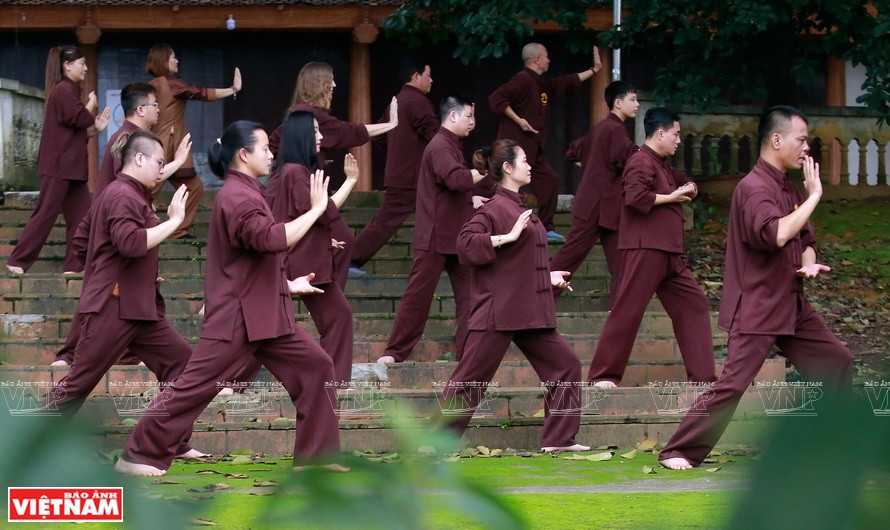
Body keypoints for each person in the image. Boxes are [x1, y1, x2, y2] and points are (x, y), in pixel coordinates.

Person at [116, 121, 342, 476]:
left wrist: (288, 283)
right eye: (265, 148)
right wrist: (314, 211)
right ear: (243, 154)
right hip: (238, 316)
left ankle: (316, 461)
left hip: (267, 313)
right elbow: (269, 239)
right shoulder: (236, 196)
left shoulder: (249, 192)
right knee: (193, 387)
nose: (271, 154)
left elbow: (259, 255)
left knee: (316, 368)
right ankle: (137, 456)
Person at [659, 106, 854, 470]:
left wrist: (809, 262)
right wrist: (814, 197)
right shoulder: (753, 188)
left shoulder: (787, 187)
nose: (805, 148)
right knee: (733, 384)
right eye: (800, 139)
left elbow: (805, 237)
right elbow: (777, 234)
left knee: (836, 362)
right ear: (776, 139)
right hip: (759, 303)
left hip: (792, 302)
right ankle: (677, 450)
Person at [436, 139, 588, 453]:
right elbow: (465, 246)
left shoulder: (518, 205)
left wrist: (548, 276)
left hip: (528, 311)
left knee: (566, 365)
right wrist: (507, 236)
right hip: (498, 312)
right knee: (469, 381)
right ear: (507, 168)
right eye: (524, 161)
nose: (530, 166)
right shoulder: (495, 208)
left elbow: (517, 262)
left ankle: (559, 440)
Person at [43, 131, 194, 436]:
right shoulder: (123, 195)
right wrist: (174, 222)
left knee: (183, 365)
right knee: (78, 384)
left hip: (138, 306)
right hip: (113, 307)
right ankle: (22, 444)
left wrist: (138, 275)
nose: (161, 170)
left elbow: (84, 243)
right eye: (159, 162)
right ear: (139, 158)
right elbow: (130, 244)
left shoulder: (119, 193)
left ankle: (168, 442)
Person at [51, 83, 192, 367]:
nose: (158, 110)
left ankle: (110, 357)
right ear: (141, 109)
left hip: (121, 263)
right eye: (154, 104)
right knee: (82, 372)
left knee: (177, 358)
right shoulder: (128, 147)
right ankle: (69, 357)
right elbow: (130, 208)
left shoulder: (132, 142)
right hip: (113, 256)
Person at [587, 107, 716, 388]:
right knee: (627, 310)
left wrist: (690, 187)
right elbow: (634, 197)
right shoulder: (640, 161)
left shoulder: (662, 164)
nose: (679, 140)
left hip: (669, 252)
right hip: (645, 249)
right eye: (676, 134)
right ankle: (603, 376)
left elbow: (684, 182)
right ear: (660, 133)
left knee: (694, 305)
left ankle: (704, 378)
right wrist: (671, 197)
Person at [377, 94, 493, 365]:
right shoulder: (440, 144)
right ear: (452, 116)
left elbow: (450, 186)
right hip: (434, 236)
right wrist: (489, 172)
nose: (472, 123)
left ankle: (468, 354)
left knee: (471, 297)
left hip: (456, 235)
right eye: (469, 116)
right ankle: (395, 352)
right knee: (418, 297)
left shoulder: (450, 144)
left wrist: (472, 198)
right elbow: (454, 179)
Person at [269, 61, 398, 286]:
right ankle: (317, 290)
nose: (335, 85)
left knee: (330, 242)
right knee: (340, 241)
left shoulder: (298, 114)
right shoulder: (308, 115)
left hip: (287, 191)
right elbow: (349, 132)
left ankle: (311, 288)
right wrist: (390, 124)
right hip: (295, 193)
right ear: (318, 84)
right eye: (330, 80)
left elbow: (271, 144)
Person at [265, 110, 358, 387]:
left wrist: (322, 240)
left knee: (336, 318)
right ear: (301, 136)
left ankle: (333, 384)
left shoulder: (290, 171)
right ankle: (334, 384)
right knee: (270, 325)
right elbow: (324, 211)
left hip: (301, 258)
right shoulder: (296, 173)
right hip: (298, 263)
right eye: (315, 131)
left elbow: (301, 217)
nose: (321, 137)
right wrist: (351, 180)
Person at [6, 45, 110, 275]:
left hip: (71, 166)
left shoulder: (69, 90)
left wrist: (97, 129)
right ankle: (18, 261)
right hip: (59, 166)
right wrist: (91, 105)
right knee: (45, 213)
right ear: (68, 65)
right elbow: (78, 117)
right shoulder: (64, 89)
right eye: (81, 63)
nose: (85, 68)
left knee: (82, 218)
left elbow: (75, 131)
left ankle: (75, 266)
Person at [488, 42, 601, 240]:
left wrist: (594, 70)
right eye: (547, 56)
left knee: (550, 182)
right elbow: (497, 98)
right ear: (537, 59)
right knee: (501, 186)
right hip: (514, 150)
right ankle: (494, 226)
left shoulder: (541, 83)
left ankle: (546, 227)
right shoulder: (522, 80)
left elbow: (564, 83)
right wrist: (519, 120)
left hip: (533, 149)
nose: (550, 60)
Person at [549, 81, 640, 302]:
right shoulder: (614, 129)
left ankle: (619, 317)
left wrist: (592, 165)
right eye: (633, 100)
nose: (637, 104)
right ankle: (536, 304)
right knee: (569, 259)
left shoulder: (602, 128)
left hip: (605, 207)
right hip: (596, 206)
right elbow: (634, 160)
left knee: (622, 263)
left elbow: (573, 151)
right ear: (618, 103)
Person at [349, 57, 439, 272]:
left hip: (401, 174)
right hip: (413, 177)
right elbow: (436, 136)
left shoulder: (397, 100)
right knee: (388, 221)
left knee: (436, 216)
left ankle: (444, 260)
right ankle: (349, 258)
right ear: (416, 76)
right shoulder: (417, 102)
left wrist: (399, 152)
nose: (431, 80)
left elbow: (380, 135)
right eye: (428, 75)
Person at [146, 43, 241, 239]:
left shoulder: (154, 85)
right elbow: (200, 92)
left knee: (193, 186)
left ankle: (177, 230)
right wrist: (233, 89)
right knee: (146, 188)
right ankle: (137, 225)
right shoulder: (169, 84)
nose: (176, 60)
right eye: (172, 57)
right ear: (162, 61)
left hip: (164, 143)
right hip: (166, 145)